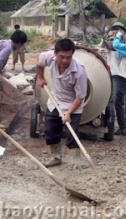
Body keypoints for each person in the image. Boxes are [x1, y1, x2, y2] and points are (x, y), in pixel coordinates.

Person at [36, 39, 88, 169]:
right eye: (62, 57)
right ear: (55, 53)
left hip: (73, 104)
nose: (65, 60)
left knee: (72, 133)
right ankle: (56, 157)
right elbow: (39, 64)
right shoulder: (48, 57)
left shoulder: (79, 71)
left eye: (68, 57)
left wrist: (68, 113)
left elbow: (80, 97)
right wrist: (40, 77)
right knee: (50, 129)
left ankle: (76, 159)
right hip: (55, 100)